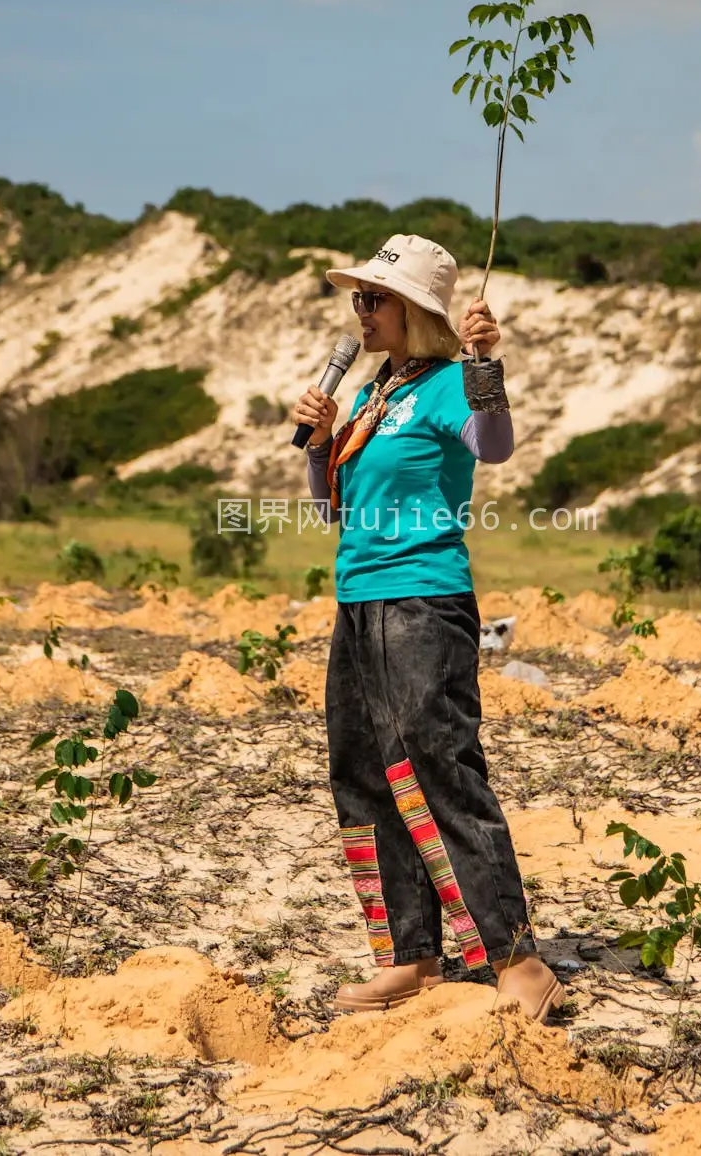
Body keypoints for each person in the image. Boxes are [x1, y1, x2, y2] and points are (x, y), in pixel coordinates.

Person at [292, 233, 564, 1021]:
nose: (359, 311)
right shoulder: (377, 393)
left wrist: (485, 364)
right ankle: (411, 957)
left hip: (423, 601)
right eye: (357, 298)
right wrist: (318, 446)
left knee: (438, 763)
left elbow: (496, 445)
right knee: (365, 772)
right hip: (360, 599)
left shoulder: (446, 384)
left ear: (413, 309)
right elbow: (332, 509)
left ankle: (515, 957)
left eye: (373, 299)